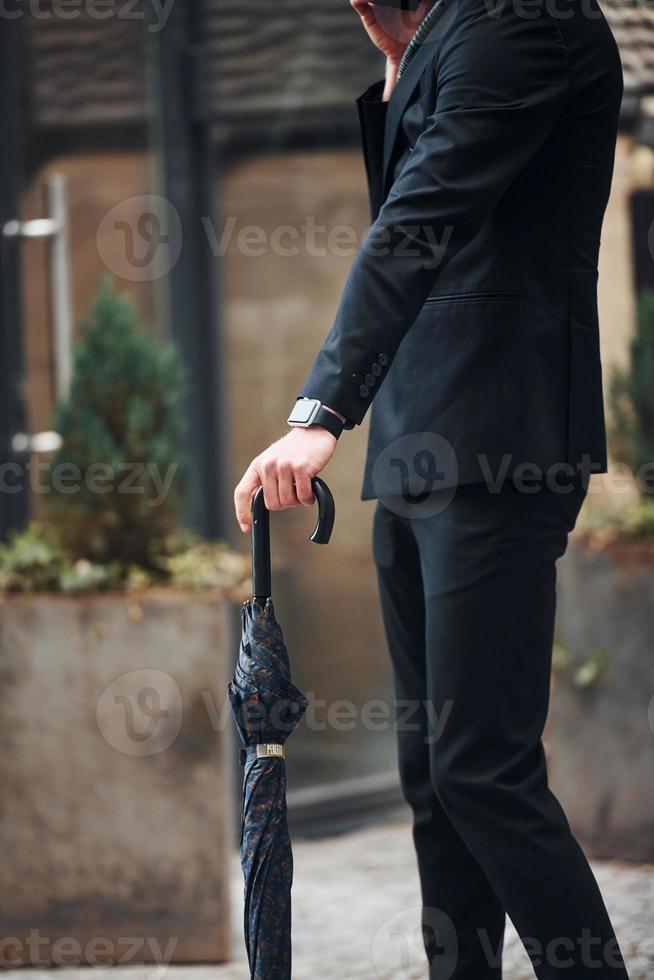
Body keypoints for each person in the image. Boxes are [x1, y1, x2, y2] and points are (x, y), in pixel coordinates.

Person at [234, 0, 630, 976]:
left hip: (499, 440)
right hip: (420, 440)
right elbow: (410, 205)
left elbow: (420, 222)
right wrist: (404, 60)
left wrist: (320, 411)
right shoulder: (450, 32)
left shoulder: (523, 21)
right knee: (433, 779)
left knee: (482, 769)